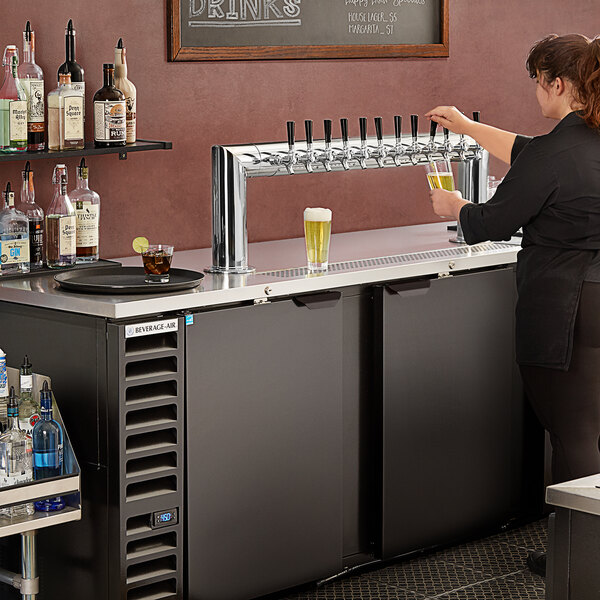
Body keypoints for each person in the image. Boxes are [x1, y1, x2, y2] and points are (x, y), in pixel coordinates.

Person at [425, 33, 600, 577]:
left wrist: (457, 206)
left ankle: (582, 564)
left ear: (558, 83)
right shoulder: (583, 143)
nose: (535, 96)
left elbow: (492, 222)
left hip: (566, 308)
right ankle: (579, 552)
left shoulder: (557, 152)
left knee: (573, 435)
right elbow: (528, 152)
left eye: (537, 84)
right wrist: (468, 126)